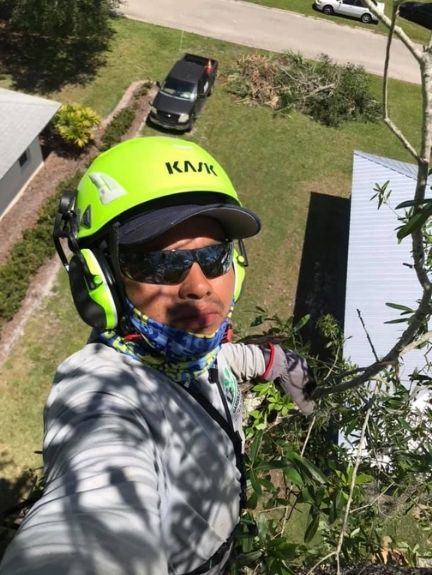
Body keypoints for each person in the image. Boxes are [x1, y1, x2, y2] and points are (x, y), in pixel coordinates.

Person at [0, 137, 314, 575]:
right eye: (160, 264)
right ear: (99, 281)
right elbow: (93, 505)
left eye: (215, 256)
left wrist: (274, 361)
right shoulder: (99, 392)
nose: (200, 286)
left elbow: (216, 364)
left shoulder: (188, 353)